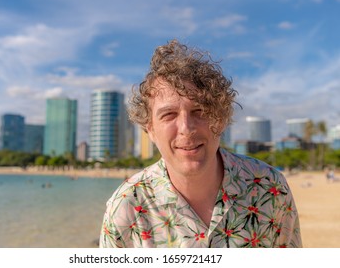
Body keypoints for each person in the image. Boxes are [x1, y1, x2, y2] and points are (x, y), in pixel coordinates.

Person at [99, 39, 302, 248]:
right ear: (149, 129)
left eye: (200, 111)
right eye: (169, 115)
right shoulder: (127, 206)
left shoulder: (270, 188)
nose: (186, 128)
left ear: (220, 119)